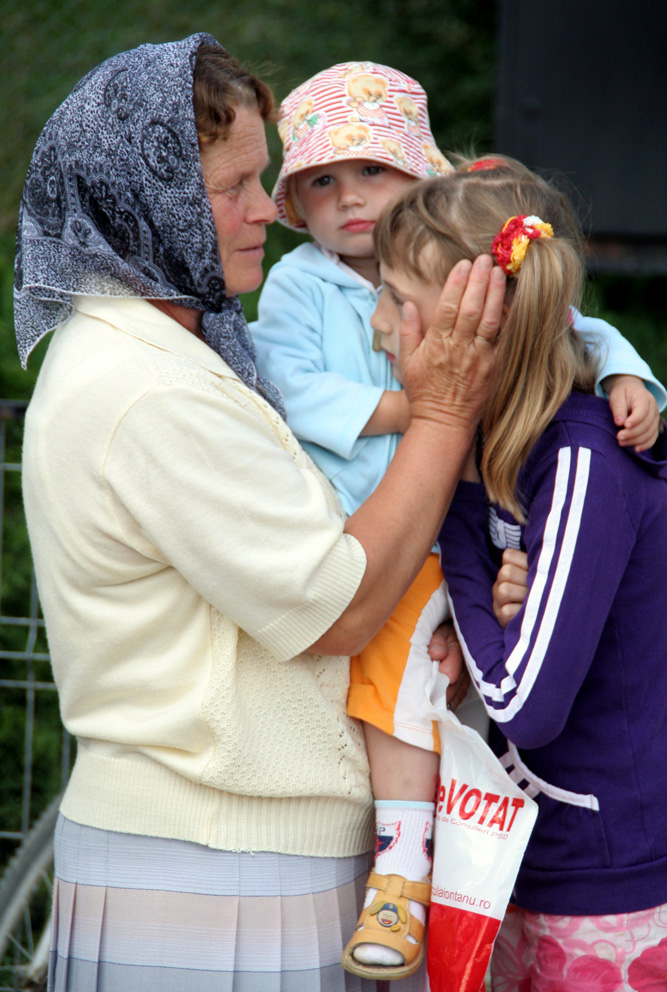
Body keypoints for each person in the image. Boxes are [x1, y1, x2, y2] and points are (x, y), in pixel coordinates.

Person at [16, 34, 506, 992]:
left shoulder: (179, 350)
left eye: (262, 178)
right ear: (142, 196)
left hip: (229, 854)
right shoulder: (150, 388)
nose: (263, 212)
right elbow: (337, 607)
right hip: (214, 871)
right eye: (231, 186)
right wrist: (445, 412)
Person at [250, 65, 666, 981]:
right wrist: (430, 417)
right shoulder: (301, 286)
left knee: (434, 684)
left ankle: (406, 864)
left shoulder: (575, 458)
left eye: (372, 172)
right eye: (321, 180)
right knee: (406, 680)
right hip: (395, 534)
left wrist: (629, 377)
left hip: (601, 875)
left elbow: (524, 699)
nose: (347, 198)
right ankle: (406, 864)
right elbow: (286, 384)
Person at [371, 157, 667, 990]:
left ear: (477, 320)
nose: (378, 324)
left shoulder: (579, 461)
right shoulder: (523, 453)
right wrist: (498, 617)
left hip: (606, 891)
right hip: (532, 864)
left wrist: (463, 514)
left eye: (394, 298)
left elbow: (524, 705)